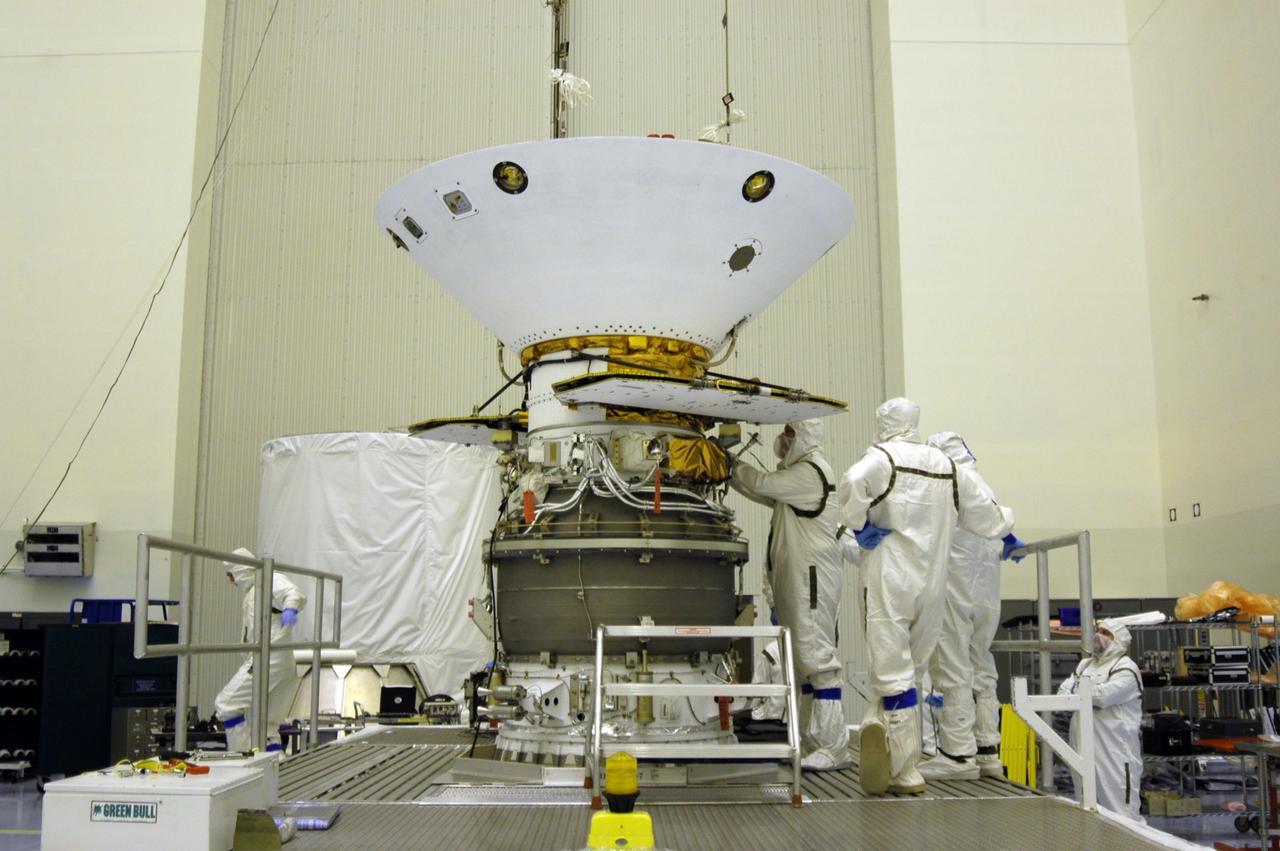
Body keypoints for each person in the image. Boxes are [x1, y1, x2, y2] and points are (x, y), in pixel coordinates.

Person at [837, 398, 1023, 795]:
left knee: (892, 668)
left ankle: (904, 767)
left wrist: (857, 524)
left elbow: (853, 480)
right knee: (916, 667)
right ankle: (891, 735)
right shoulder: (947, 466)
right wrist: (1006, 532)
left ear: (884, 422)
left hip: (890, 577)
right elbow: (984, 509)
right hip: (933, 583)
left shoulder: (883, 457)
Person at [731, 419, 849, 770]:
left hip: (811, 584)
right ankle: (811, 741)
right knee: (801, 665)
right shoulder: (798, 474)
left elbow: (763, 483)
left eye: (790, 432)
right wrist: (730, 472)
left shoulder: (810, 473)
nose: (783, 438)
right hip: (798, 583)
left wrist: (727, 462)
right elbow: (762, 492)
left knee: (817, 660)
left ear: (805, 437)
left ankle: (833, 746)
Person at [920, 432, 1020, 781]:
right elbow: (999, 524)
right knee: (982, 667)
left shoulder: (949, 485)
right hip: (986, 598)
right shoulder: (984, 486)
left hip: (955, 591)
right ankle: (987, 750)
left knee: (952, 667)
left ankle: (957, 755)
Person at [214, 547, 306, 752]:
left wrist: (290, 607)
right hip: (280, 661)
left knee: (226, 705)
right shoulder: (255, 590)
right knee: (267, 725)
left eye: (231, 575)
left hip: (268, 660)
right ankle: (276, 763)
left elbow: (293, 593)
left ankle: (241, 758)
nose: (230, 581)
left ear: (240, 570)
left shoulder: (267, 580)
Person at [1057, 618, 1144, 821]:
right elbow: (1063, 693)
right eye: (1098, 630)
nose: (1098, 635)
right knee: (1086, 808)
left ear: (1118, 640)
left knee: (1121, 812)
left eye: (1106, 633)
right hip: (1082, 749)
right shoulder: (1085, 665)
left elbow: (1103, 697)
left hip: (1115, 752)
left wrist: (1079, 690)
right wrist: (1085, 692)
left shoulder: (1126, 667)